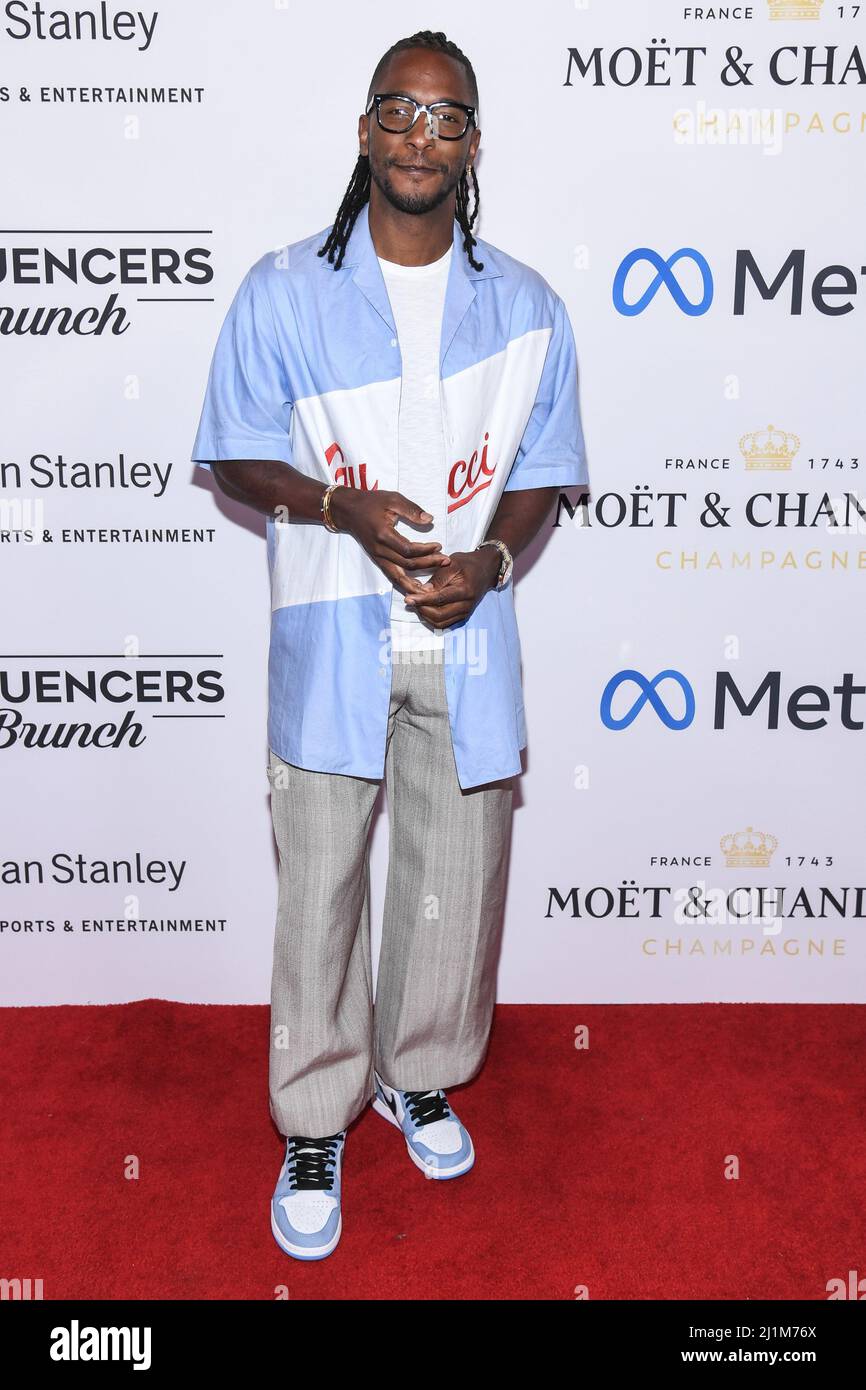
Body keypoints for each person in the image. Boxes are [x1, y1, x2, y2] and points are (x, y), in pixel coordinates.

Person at [190, 28, 589, 1261]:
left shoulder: (524, 305)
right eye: (399, 114)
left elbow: (546, 472)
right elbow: (233, 448)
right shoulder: (280, 290)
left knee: (450, 882)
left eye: (447, 118)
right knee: (319, 887)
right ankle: (316, 1117)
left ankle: (418, 1074)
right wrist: (334, 504)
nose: (422, 138)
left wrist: (488, 563)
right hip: (329, 629)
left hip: (465, 639)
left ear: (473, 146)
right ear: (364, 132)